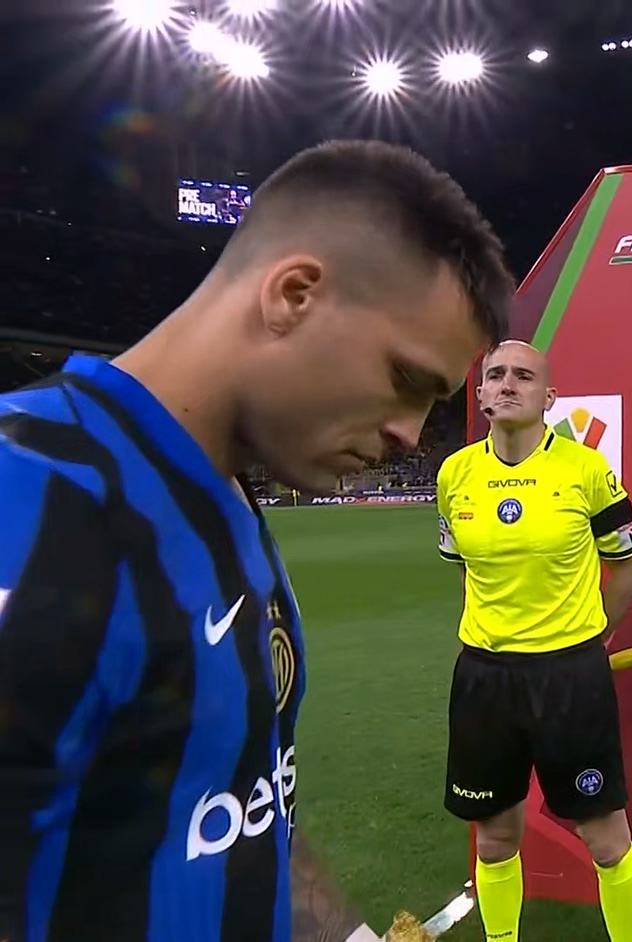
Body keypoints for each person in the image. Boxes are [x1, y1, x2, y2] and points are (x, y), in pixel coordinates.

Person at [0, 139, 513, 942]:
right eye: (404, 380)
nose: (411, 435)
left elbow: (243, 802)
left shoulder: (224, 494)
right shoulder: (28, 496)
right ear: (294, 295)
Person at [436, 339, 632, 942]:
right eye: (496, 374)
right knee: (495, 837)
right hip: (485, 679)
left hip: (570, 677)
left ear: (549, 397)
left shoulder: (587, 471)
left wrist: (588, 642)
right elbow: (464, 570)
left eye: (523, 376)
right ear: (480, 394)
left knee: (606, 840)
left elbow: (626, 572)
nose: (508, 384)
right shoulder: (455, 474)